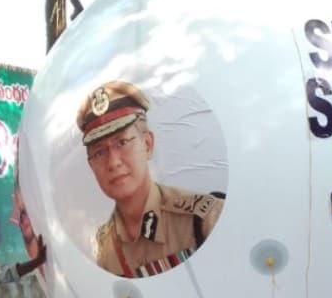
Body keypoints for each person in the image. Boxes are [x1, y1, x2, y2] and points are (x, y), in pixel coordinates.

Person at [78, 81, 224, 278]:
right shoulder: (102, 249)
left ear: (147, 144)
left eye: (122, 142)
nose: (113, 162)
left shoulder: (202, 219)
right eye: (100, 152)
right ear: (91, 165)